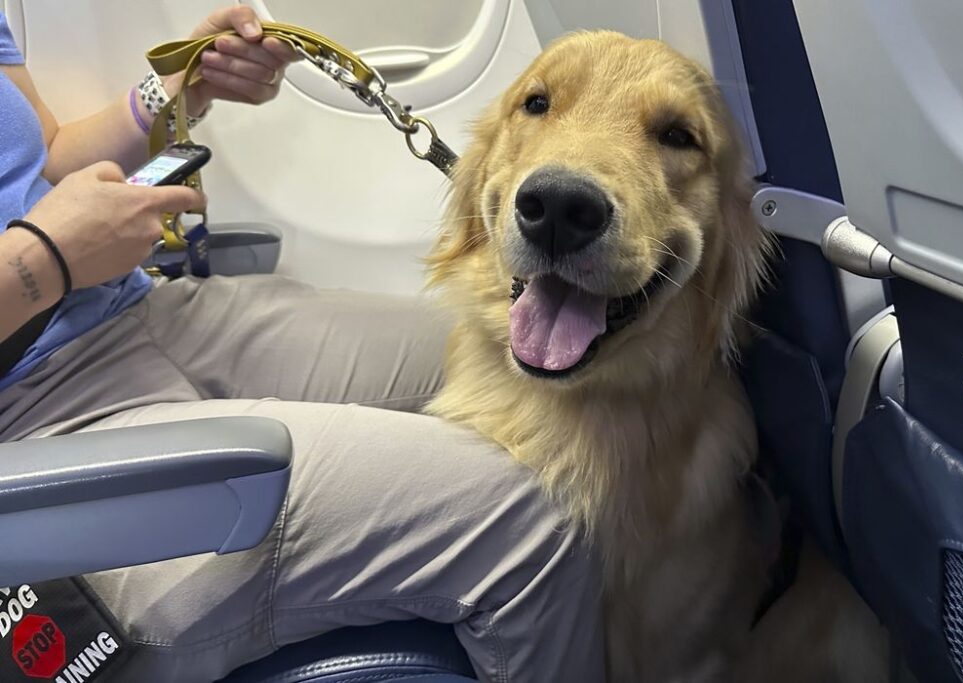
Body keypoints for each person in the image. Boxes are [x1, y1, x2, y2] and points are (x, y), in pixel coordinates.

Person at [0, 6, 602, 682]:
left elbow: (42, 157)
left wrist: (173, 92)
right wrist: (42, 258)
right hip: (35, 421)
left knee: (522, 365)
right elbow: (39, 235)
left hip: (134, 311)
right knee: (533, 526)